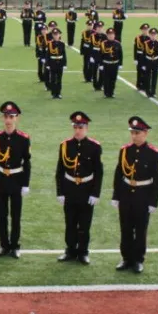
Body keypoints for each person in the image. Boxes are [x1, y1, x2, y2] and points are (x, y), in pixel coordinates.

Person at [111, 116, 158, 273]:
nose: (134, 136)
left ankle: (138, 259)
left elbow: (157, 179)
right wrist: (116, 195)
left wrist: (153, 201)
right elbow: (119, 173)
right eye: (132, 132)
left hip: (143, 194)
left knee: (140, 229)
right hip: (126, 193)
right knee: (125, 228)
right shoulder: (125, 150)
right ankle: (126, 258)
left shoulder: (154, 153)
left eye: (137, 133)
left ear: (145, 133)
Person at [55, 112, 103, 264]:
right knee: (70, 223)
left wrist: (95, 193)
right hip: (70, 189)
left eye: (80, 127)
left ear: (86, 128)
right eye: (75, 127)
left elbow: (98, 172)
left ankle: (83, 252)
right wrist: (60, 192)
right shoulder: (65, 146)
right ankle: (70, 250)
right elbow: (60, 170)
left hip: (86, 189)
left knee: (84, 224)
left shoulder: (94, 147)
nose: (77, 130)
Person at [0, 101, 31, 259]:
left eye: (11, 117)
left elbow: (27, 162)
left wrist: (25, 184)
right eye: (6, 116)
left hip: (16, 180)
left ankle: (15, 246)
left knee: (15, 216)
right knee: (1, 216)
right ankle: (4, 246)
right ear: (3, 118)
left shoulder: (23, 139)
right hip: (1, 180)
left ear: (17, 118)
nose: (8, 120)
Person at [99, 27, 123, 98]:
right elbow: (100, 54)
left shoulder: (117, 44)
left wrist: (120, 64)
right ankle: (106, 93)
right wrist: (101, 64)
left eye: (112, 34)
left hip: (115, 64)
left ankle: (111, 92)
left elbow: (120, 54)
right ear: (107, 35)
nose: (111, 35)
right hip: (106, 64)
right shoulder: (103, 43)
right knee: (106, 79)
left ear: (114, 35)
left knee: (113, 79)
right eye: (109, 34)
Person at [45, 27, 67, 99]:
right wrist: (47, 64)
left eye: (57, 34)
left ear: (59, 35)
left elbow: (64, 55)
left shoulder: (62, 44)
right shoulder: (50, 44)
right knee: (53, 79)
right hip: (52, 63)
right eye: (54, 34)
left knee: (59, 79)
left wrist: (64, 64)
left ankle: (58, 93)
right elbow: (48, 55)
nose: (56, 36)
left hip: (60, 63)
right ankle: (53, 93)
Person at [141, 27, 158, 98]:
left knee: (154, 78)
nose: (153, 36)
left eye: (154, 34)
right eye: (152, 34)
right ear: (149, 35)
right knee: (148, 77)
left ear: (156, 35)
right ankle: (148, 92)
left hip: (155, 62)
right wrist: (143, 64)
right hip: (148, 61)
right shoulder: (146, 43)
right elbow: (143, 54)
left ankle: (153, 92)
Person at [133, 23, 150, 90]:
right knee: (139, 71)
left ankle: (145, 85)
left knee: (146, 71)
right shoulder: (138, 38)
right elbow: (135, 48)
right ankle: (139, 85)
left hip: (146, 57)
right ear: (141, 30)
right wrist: (135, 59)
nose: (145, 31)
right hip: (139, 56)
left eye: (146, 29)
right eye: (144, 29)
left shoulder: (149, 38)